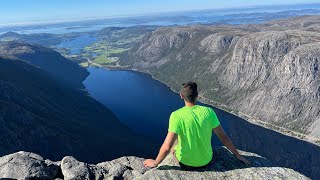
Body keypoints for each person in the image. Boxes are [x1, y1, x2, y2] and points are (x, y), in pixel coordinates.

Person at [143, 81, 250, 169]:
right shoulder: (209, 112)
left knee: (174, 140)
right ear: (197, 96)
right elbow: (224, 138)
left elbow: (167, 147)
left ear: (181, 96)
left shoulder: (176, 115)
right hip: (206, 161)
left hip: (185, 163)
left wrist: (156, 163)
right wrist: (237, 154)